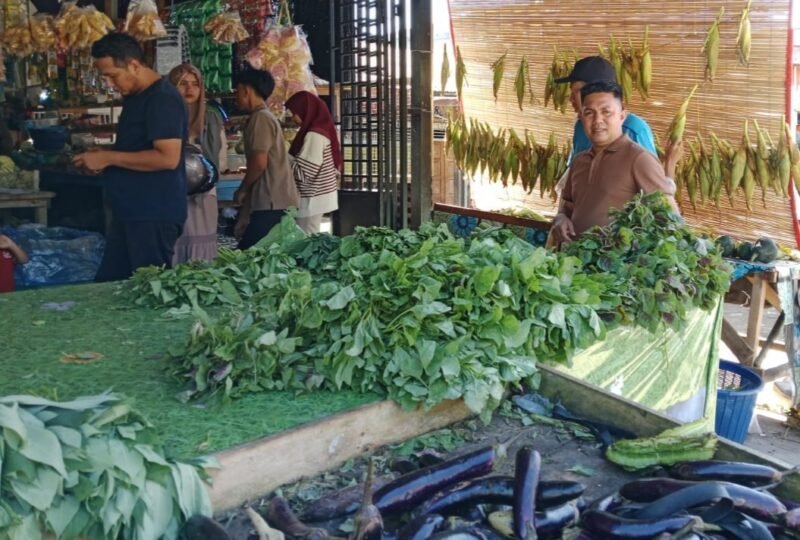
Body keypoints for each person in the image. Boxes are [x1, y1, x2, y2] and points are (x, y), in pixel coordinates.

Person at [72, 32, 188, 281]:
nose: (109, 84)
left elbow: (167, 158)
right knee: (112, 286)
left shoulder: (162, 98)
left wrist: (109, 158)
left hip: (153, 213)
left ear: (134, 65)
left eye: (112, 76)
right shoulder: (136, 97)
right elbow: (137, 148)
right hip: (132, 211)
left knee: (150, 289)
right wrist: (104, 155)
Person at [551, 80, 681, 245]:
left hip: (618, 260)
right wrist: (561, 217)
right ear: (581, 117)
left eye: (606, 112)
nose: (597, 120)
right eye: (589, 113)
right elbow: (567, 206)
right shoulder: (579, 161)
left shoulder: (639, 159)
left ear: (621, 117)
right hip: (574, 257)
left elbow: (671, 219)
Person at [168, 63, 228, 264]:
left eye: (195, 84)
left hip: (204, 193)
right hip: (172, 193)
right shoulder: (164, 116)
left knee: (200, 246)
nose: (189, 89)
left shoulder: (211, 117)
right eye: (182, 83)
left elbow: (220, 158)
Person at [232, 69, 299, 249]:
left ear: (246, 90)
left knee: (251, 254)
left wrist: (242, 189)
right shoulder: (264, 117)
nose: (236, 97)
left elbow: (259, 163)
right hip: (272, 200)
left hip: (272, 201)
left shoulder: (260, 118)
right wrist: (245, 213)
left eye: (237, 91)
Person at [556, 56, 657, 161]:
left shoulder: (634, 128)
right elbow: (575, 165)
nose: (571, 98)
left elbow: (650, 169)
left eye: (577, 91)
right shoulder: (581, 126)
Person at [285, 91, 341, 234]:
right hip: (317, 196)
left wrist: (283, 156)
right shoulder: (319, 129)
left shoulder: (314, 134)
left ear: (305, 110)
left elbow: (305, 172)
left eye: (295, 113)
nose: (293, 118)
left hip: (313, 197)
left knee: (306, 238)